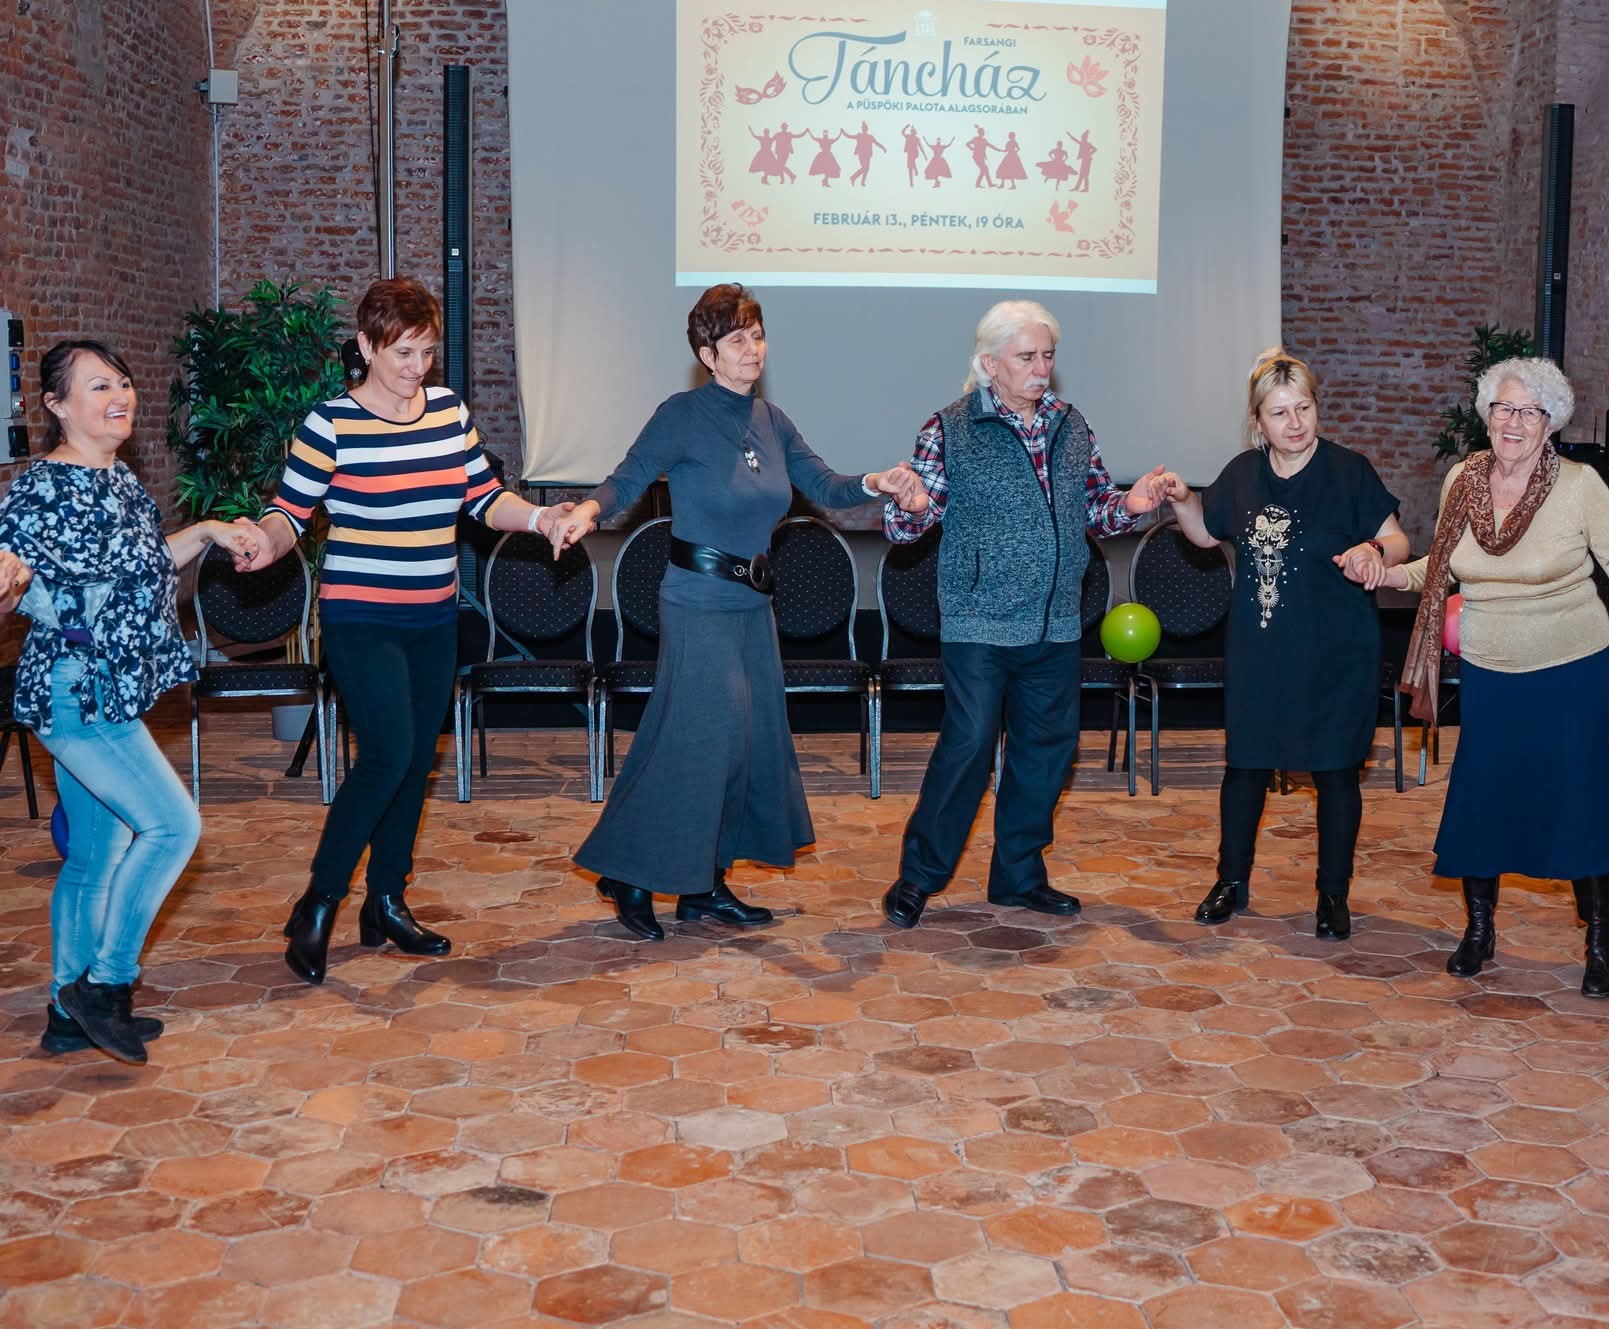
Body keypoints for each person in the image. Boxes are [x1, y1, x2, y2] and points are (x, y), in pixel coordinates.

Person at [554, 284, 927, 940]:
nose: (753, 348)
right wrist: (587, 510)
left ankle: (705, 883)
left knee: (742, 743)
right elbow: (627, 478)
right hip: (697, 600)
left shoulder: (772, 422)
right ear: (708, 354)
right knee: (695, 738)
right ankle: (631, 874)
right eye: (737, 339)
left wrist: (878, 481)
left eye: (757, 335)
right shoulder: (682, 415)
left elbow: (825, 484)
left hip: (754, 605)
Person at [242, 278, 577, 986]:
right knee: (387, 754)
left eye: (426, 352)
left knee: (417, 758)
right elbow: (290, 512)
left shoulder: (449, 412)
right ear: (365, 346)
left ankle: (387, 900)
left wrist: (539, 518)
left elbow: (484, 500)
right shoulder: (331, 423)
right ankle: (318, 902)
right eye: (401, 352)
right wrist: (266, 542)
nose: (416, 367)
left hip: (433, 617)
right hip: (360, 616)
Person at [1365, 357, 1609, 998]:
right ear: (1487, 415)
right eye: (1503, 408)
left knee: (1579, 800)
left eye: (1529, 412)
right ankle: (1479, 931)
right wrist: (1387, 573)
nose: (1514, 422)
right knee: (1484, 798)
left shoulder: (1580, 485)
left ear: (1550, 423)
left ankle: (1599, 942)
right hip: (1489, 669)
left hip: (1568, 668)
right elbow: (1440, 565)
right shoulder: (1463, 480)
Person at [0, 341, 263, 1062]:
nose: (119, 396)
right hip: (75, 689)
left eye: (122, 382)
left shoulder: (117, 479)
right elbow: (11, 577)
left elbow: (138, 568)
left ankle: (66, 1010)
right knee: (173, 827)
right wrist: (9, 585)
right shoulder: (41, 489)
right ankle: (107, 985)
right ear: (56, 405)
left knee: (97, 851)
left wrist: (205, 531)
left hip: (108, 689)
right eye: (97, 386)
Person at [878, 300, 1179, 930]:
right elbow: (908, 527)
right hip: (979, 622)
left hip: (1056, 623)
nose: (1041, 368)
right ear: (990, 364)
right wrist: (909, 503)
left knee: (1046, 752)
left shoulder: (1072, 424)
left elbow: (1096, 509)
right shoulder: (949, 428)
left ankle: (1018, 876)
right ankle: (919, 877)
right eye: (1026, 357)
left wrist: (1132, 503)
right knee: (968, 746)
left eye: (1047, 356)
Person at [1162, 350, 1409, 939]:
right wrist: (1182, 496)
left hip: (1338, 651)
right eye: (1279, 413)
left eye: (1304, 407)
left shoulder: (1349, 471)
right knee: (1245, 766)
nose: (1295, 422)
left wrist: (1375, 551)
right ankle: (1230, 881)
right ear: (1258, 421)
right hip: (1261, 651)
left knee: (1336, 772)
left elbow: (1398, 541)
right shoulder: (1243, 474)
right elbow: (1204, 533)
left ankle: (1332, 894)